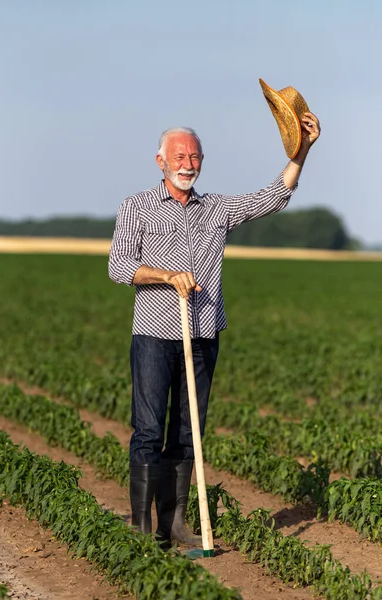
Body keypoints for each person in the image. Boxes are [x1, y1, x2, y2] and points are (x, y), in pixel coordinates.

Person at [108, 114, 321, 546]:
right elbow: (118, 266)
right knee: (148, 430)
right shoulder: (137, 206)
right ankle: (141, 526)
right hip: (154, 333)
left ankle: (175, 523)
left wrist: (303, 150)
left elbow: (274, 196)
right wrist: (168, 276)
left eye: (195, 156)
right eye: (180, 156)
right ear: (160, 161)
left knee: (189, 432)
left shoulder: (216, 209)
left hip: (203, 333)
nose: (188, 163)